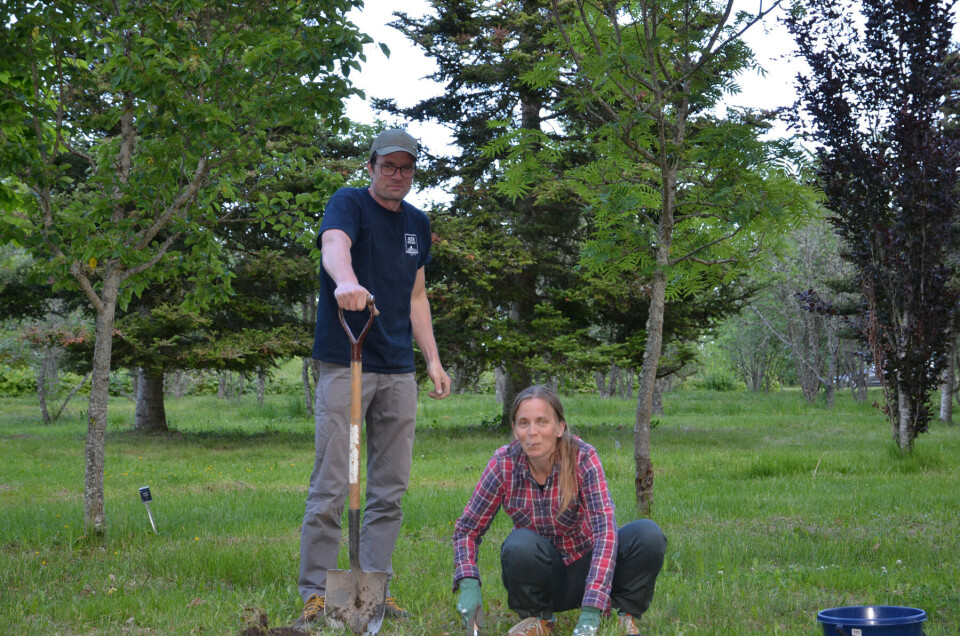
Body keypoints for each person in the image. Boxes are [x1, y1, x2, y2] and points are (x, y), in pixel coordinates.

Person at [296, 128, 451, 627]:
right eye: (388, 166)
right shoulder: (348, 204)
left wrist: (431, 359)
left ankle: (372, 588)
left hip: (397, 370)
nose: (397, 175)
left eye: (406, 168)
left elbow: (416, 296)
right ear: (371, 167)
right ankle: (319, 592)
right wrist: (345, 281)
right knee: (334, 482)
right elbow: (334, 245)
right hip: (348, 361)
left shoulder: (418, 224)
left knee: (389, 487)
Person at [453, 386, 666, 636]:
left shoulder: (583, 458)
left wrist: (591, 610)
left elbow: (605, 532)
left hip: (589, 567)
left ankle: (621, 616)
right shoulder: (503, 463)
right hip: (544, 576)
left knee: (647, 534)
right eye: (524, 423)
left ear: (559, 427)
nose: (532, 432)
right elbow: (467, 529)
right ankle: (538, 620)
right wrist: (468, 581)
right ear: (514, 429)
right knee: (518, 544)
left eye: (542, 422)